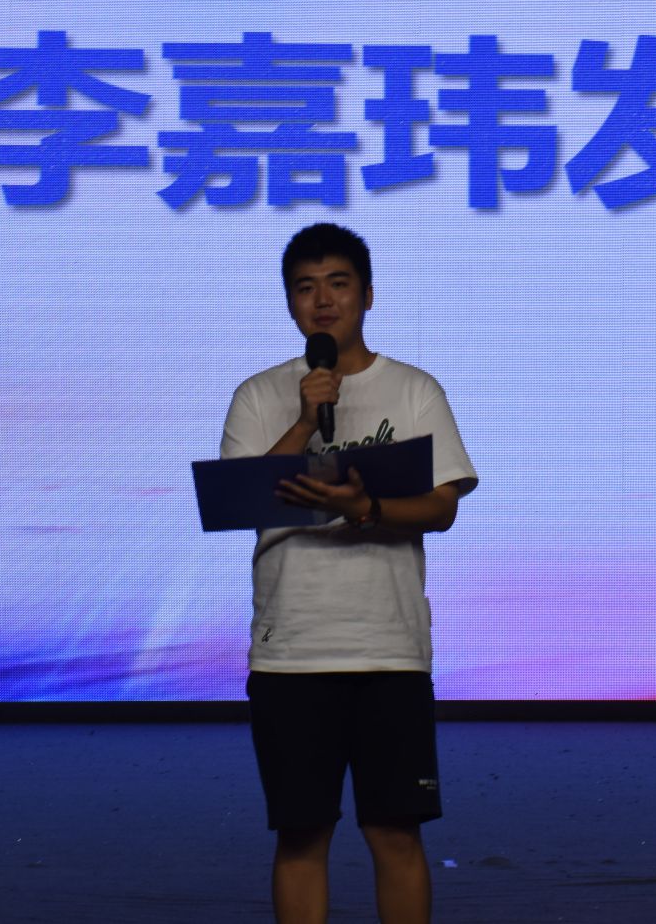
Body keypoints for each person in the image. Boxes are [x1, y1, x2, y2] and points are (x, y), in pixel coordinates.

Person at [218, 223, 477, 924]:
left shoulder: (414, 389)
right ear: (290, 303)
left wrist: (366, 508)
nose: (323, 300)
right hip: (291, 653)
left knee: (396, 832)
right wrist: (305, 421)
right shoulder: (258, 395)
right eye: (306, 288)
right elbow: (239, 500)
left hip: (388, 648)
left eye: (338, 284)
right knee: (301, 835)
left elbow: (443, 507)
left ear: (367, 294)